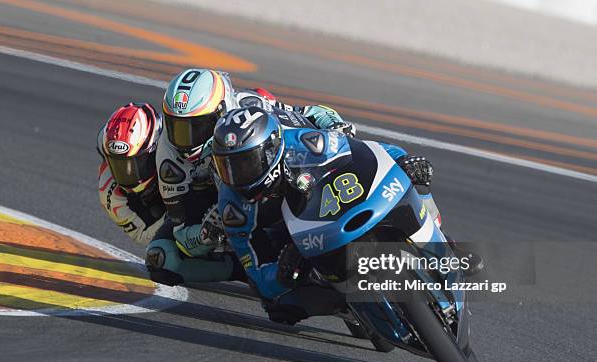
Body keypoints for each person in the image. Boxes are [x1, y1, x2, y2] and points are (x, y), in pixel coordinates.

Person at [211, 106, 482, 324]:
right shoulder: (233, 208)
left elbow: (365, 151)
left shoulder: (306, 142)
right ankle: (346, 306)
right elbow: (256, 274)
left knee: (415, 178)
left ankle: (445, 245)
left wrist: (402, 160)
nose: (237, 176)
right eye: (228, 167)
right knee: (280, 308)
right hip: (291, 244)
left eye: (246, 164)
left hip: (333, 203)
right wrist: (281, 272)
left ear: (270, 150)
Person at [145, 68, 356, 286]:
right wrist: (206, 232)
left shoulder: (249, 107)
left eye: (196, 127)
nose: (185, 140)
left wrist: (335, 127)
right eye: (176, 126)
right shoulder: (169, 159)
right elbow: (181, 232)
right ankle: (249, 269)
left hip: (273, 180)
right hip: (224, 206)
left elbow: (310, 112)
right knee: (160, 258)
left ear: (222, 110)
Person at [97, 103, 165, 246]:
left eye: (135, 164)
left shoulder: (169, 149)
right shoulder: (109, 192)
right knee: (159, 254)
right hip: (166, 218)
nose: (128, 173)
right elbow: (144, 236)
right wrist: (177, 217)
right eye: (119, 166)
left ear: (153, 151)